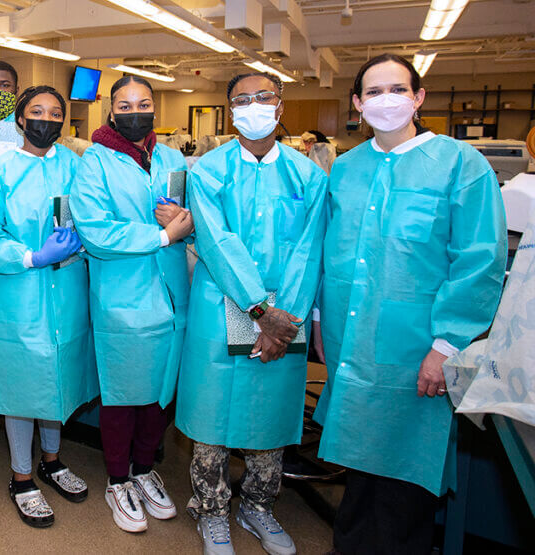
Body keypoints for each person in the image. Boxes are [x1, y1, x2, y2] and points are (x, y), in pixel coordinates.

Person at [313, 54, 507, 555]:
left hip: (418, 346)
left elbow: (479, 262)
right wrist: (317, 317)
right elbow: (329, 251)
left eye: (396, 89)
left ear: (418, 97)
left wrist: (446, 345)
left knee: (404, 479)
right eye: (372, 92)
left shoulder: (461, 166)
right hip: (349, 340)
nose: (385, 100)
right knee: (357, 471)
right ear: (356, 104)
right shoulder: (347, 169)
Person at [177, 72, 328, 555]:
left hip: (288, 312)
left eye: (263, 97)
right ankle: (213, 511)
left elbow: (310, 251)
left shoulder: (310, 176)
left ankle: (258, 506)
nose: (253, 105)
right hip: (222, 304)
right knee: (211, 413)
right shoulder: (208, 172)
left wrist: (285, 320)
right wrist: (261, 311)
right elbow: (217, 244)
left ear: (280, 106)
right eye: (241, 99)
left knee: (272, 414)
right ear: (229, 111)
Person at [0, 85, 97, 528]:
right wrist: (31, 256)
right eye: (36, 111)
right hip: (19, 291)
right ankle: (22, 476)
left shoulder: (77, 166)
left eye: (55, 112)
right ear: (20, 120)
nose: (46, 118)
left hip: (68, 290)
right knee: (22, 384)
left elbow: (96, 217)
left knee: (59, 374)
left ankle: (52, 461)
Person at [71, 75, 193, 533]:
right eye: (125, 104)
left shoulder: (171, 157)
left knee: (160, 392)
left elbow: (192, 211)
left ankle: (145, 470)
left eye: (143, 103)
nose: (135, 111)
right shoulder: (95, 162)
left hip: (171, 291)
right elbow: (97, 232)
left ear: (155, 108)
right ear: (111, 111)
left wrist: (186, 220)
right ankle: (118, 479)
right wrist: (162, 234)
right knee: (124, 393)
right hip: (123, 297)